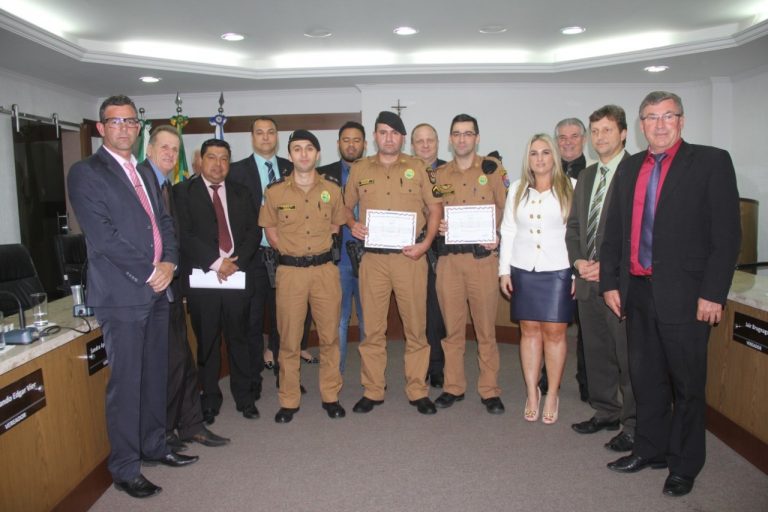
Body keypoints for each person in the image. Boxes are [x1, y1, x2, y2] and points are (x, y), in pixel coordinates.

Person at [600, 91, 740, 497]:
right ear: (640, 125)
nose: (659, 125)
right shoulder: (629, 169)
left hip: (689, 296)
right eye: (651, 117)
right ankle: (650, 449)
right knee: (645, 380)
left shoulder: (711, 162)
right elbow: (614, 233)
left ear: (681, 120)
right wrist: (611, 282)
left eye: (668, 116)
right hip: (637, 293)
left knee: (688, 385)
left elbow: (727, 235)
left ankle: (685, 463)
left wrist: (713, 292)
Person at [67, 95, 196, 499]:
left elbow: (164, 223)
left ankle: (155, 446)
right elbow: (104, 236)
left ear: (138, 129)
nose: (124, 127)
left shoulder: (142, 171)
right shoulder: (87, 172)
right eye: (115, 121)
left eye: (130, 121)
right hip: (123, 295)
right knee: (127, 383)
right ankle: (125, 467)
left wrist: (170, 264)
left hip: (159, 290)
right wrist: (150, 271)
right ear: (102, 128)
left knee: (156, 373)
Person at [344, 111, 442, 415]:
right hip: (373, 260)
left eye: (394, 133)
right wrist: (352, 223)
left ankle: (417, 390)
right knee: (372, 330)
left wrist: (426, 244)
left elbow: (435, 208)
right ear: (375, 136)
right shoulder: (360, 169)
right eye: (383, 132)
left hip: (410, 258)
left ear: (402, 137)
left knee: (416, 328)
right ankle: (373, 390)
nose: (388, 137)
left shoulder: (419, 168)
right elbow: (344, 207)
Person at [140, 126, 229, 448]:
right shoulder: (139, 185)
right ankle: (163, 434)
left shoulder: (169, 187)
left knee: (182, 362)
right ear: (148, 150)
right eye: (163, 147)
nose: (169, 154)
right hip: (148, 290)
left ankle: (191, 425)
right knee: (164, 366)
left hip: (173, 288)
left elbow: (174, 236)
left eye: (175, 150)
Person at [259, 130, 347, 423]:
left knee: (329, 337)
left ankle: (330, 395)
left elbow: (338, 220)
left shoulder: (332, 189)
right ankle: (289, 399)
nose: (304, 154)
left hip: (324, 271)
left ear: (318, 154)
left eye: (309, 148)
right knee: (289, 339)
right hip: (290, 273)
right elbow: (269, 227)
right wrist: (283, 248)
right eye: (297, 149)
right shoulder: (275, 192)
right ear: (290, 154)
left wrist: (329, 239)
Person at [174, 139, 260, 424]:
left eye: (224, 158)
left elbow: (253, 233)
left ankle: (245, 398)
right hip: (203, 279)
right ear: (200, 160)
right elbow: (184, 235)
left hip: (236, 275)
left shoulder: (242, 192)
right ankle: (209, 399)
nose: (218, 164)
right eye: (212, 157)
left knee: (240, 339)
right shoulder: (182, 192)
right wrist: (216, 262)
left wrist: (235, 263)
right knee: (207, 342)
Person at [565, 106, 635, 452]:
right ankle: (606, 410)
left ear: (623, 133)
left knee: (627, 355)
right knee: (596, 352)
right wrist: (578, 260)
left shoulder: (636, 172)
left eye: (607, 130)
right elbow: (576, 227)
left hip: (620, 284)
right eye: (595, 131)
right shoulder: (589, 176)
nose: (600, 137)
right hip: (588, 281)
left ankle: (634, 424)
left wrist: (606, 268)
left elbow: (637, 233)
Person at [432, 114, 508, 414]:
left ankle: (489, 389)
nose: (462, 139)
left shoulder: (492, 169)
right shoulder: (438, 175)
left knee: (485, 330)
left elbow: (505, 207)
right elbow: (433, 212)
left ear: (477, 137)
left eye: (468, 133)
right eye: (456, 134)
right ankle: (453, 386)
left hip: (482, 260)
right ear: (450, 139)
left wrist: (497, 234)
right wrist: (437, 226)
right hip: (449, 261)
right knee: (452, 330)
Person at [498, 133, 575, 425]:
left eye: (545, 152)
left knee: (555, 333)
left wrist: (577, 272)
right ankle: (532, 392)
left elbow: (577, 235)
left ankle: (552, 392)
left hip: (558, 270)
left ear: (554, 156)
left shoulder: (571, 188)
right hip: (523, 269)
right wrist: (504, 270)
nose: (540, 158)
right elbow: (508, 231)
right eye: (534, 153)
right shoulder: (517, 189)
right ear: (527, 159)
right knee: (529, 331)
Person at [229, 116, 293, 395]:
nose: (266, 137)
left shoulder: (292, 168)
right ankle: (253, 382)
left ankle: (286, 377)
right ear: (252, 137)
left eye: (271, 132)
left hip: (287, 257)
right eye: (260, 133)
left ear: (277, 137)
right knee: (252, 321)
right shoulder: (235, 172)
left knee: (285, 321)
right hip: (253, 257)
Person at [318, 121, 367, 373]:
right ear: (338, 144)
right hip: (337, 260)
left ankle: (373, 378)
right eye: (346, 140)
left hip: (372, 260)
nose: (351, 145)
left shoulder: (376, 171)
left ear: (365, 145)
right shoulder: (322, 175)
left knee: (370, 322)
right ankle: (333, 378)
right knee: (339, 320)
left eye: (356, 140)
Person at [549, 117, 590, 402]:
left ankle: (588, 383)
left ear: (583, 139)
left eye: (573, 136)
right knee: (548, 323)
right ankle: (546, 379)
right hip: (551, 261)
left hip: (583, 262)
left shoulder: (594, 173)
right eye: (562, 137)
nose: (567, 142)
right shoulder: (544, 172)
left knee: (587, 330)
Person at [411, 122, 447, 388]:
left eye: (430, 140)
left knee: (436, 311)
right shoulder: (401, 170)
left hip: (442, 251)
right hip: (408, 249)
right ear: (411, 145)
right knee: (414, 311)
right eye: (419, 141)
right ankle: (417, 367)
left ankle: (436, 366)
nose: (425, 145)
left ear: (437, 142)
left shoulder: (449, 171)